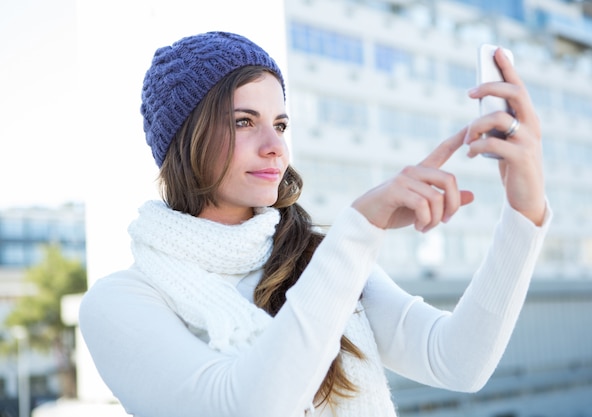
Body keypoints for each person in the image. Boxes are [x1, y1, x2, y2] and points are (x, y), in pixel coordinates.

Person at [79, 31, 551, 417]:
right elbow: (246, 407)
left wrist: (523, 211)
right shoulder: (121, 302)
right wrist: (362, 227)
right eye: (244, 122)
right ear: (186, 138)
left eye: (281, 125)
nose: (275, 146)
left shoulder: (316, 258)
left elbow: (457, 361)